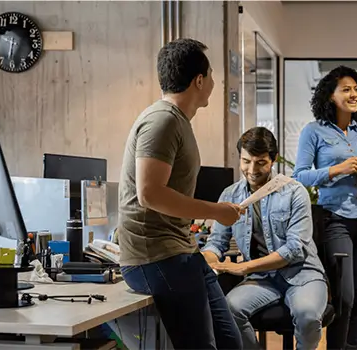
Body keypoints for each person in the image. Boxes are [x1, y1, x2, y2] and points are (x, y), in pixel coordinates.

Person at [117, 38, 243, 350]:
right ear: (199, 81)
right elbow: (150, 194)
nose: (214, 82)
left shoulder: (176, 121)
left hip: (181, 252)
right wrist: (216, 211)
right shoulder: (162, 121)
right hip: (155, 257)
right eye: (211, 75)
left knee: (231, 342)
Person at [201, 127, 329, 350]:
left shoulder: (294, 192)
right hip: (262, 279)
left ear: (273, 160)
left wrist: (245, 267)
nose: (252, 170)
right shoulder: (230, 196)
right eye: (246, 161)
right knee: (228, 310)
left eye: (260, 162)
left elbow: (293, 250)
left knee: (307, 316)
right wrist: (207, 259)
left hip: (302, 274)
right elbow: (217, 242)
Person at [292, 65, 357, 349]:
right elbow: (300, 176)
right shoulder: (314, 132)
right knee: (344, 297)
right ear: (330, 96)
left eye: (356, 89)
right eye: (346, 89)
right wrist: (337, 169)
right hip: (336, 219)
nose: (353, 94)